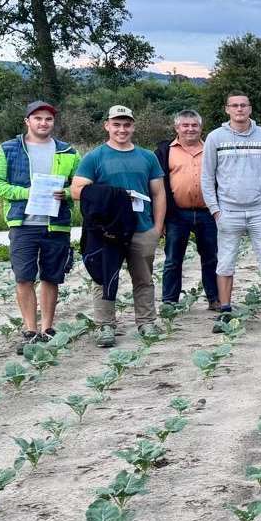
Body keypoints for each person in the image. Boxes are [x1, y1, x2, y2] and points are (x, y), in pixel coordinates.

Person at [70, 105, 166, 347]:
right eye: (116, 124)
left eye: (126, 124)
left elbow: (159, 193)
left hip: (142, 229)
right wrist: (115, 195)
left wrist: (157, 227)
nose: (121, 129)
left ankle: (146, 322)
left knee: (144, 278)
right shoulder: (95, 157)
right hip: (107, 231)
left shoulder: (147, 157)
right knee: (104, 278)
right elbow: (77, 190)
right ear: (107, 126)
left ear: (133, 126)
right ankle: (105, 326)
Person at [0, 100, 79, 353]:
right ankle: (29, 329)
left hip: (56, 224)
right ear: (27, 121)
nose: (43, 123)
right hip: (23, 223)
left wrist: (68, 193)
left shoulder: (68, 151)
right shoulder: (9, 148)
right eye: (37, 118)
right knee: (24, 277)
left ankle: (48, 329)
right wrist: (23, 193)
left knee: (51, 277)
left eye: (48, 119)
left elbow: (81, 184)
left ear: (53, 123)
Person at [201, 93, 261, 331]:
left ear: (250, 109)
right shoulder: (215, 138)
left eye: (243, 105)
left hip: (260, 211)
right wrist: (215, 210)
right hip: (228, 211)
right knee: (225, 263)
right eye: (235, 105)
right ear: (227, 109)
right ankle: (225, 312)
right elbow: (207, 177)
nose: (239, 109)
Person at [154, 110, 220, 311]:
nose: (190, 129)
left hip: (207, 212)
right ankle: (169, 301)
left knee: (211, 258)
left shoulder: (212, 149)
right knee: (173, 259)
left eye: (194, 125)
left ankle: (215, 298)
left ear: (201, 128)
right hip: (176, 214)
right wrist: (161, 218)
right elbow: (158, 185)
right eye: (185, 125)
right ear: (177, 128)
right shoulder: (165, 151)